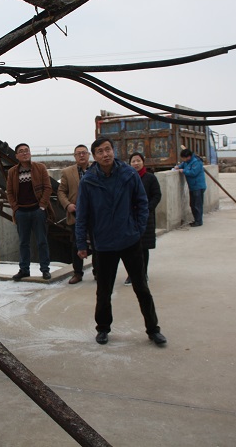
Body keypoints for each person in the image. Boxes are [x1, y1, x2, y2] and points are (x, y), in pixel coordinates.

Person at [75, 137, 166, 346]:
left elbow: (142, 203)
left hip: (129, 240)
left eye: (108, 149)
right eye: (100, 151)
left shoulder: (128, 174)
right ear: (95, 156)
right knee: (104, 291)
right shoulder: (88, 181)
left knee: (141, 288)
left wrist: (137, 230)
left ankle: (153, 329)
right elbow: (82, 215)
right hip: (104, 244)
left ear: (113, 151)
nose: (105, 154)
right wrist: (81, 243)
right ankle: (103, 328)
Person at [6, 143, 53, 280]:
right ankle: (24, 269)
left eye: (26, 150)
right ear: (16, 156)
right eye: (21, 151)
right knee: (23, 243)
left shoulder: (40, 168)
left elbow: (48, 188)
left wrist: (42, 206)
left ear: (30, 153)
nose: (24, 153)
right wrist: (15, 208)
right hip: (21, 212)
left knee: (42, 241)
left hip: (37, 211)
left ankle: (45, 269)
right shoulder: (12, 172)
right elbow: (9, 192)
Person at [123, 152, 161, 286]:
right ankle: (131, 274)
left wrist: (147, 208)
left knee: (143, 247)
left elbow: (157, 195)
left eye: (138, 160)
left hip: (145, 217)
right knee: (130, 247)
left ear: (143, 162)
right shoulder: (127, 178)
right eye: (133, 161)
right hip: (130, 217)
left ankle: (143, 273)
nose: (136, 163)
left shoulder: (150, 178)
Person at [58, 144, 92, 284]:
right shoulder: (67, 172)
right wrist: (67, 205)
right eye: (78, 153)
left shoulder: (96, 169)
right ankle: (77, 273)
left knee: (97, 244)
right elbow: (61, 191)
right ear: (74, 156)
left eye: (84, 152)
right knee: (77, 244)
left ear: (89, 154)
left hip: (95, 214)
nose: (81, 155)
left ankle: (98, 272)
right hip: (76, 214)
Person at [176, 148, 207, 227]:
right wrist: (178, 167)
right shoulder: (187, 162)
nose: (183, 160)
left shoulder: (196, 162)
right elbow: (182, 165)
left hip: (198, 186)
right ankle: (196, 219)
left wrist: (184, 171)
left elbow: (193, 173)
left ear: (188, 157)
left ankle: (198, 221)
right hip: (192, 186)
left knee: (197, 204)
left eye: (183, 158)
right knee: (192, 204)